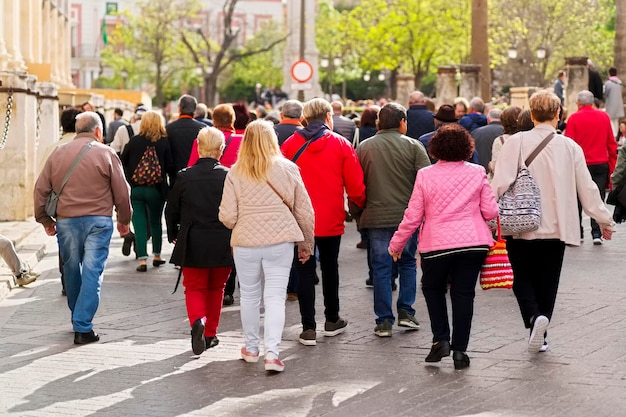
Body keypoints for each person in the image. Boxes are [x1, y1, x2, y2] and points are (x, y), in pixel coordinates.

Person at [491, 90, 615, 354]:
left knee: (521, 277)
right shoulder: (570, 146)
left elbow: (499, 185)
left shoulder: (516, 142)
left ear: (532, 114)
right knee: (549, 280)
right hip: (558, 226)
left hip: (521, 223)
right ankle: (542, 332)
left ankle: (534, 319)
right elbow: (588, 189)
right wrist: (605, 220)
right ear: (558, 114)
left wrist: (489, 217)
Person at [389, 124, 499, 369]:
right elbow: (491, 211)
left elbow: (413, 215)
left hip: (437, 244)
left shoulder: (425, 175)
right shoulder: (477, 172)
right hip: (473, 243)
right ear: (467, 148)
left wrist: (397, 243)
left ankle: (441, 339)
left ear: (435, 149)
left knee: (432, 288)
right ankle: (460, 351)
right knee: (464, 295)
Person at [219, 119, 315, 372]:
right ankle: (272, 354)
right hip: (280, 240)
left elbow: (227, 216)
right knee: (275, 298)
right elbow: (304, 211)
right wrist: (306, 243)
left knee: (249, 296)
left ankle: (251, 348)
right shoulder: (288, 168)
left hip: (245, 241)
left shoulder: (235, 171)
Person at [34, 111, 132, 345]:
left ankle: (77, 318)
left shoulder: (58, 153)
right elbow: (122, 191)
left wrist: (45, 220)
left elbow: (40, 190)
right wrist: (124, 219)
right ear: (98, 131)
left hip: (67, 222)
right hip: (98, 221)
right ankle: (82, 325)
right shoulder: (107, 153)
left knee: (71, 268)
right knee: (92, 270)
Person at [281, 97, 366, 347]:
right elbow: (355, 184)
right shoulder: (340, 144)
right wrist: (358, 204)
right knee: (330, 269)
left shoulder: (289, 145)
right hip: (330, 218)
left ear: (305, 118)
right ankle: (332, 319)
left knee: (304, 270)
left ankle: (308, 327)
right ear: (328, 117)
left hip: (299, 220)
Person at [356, 102, 431, 337]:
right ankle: (406, 312)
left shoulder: (364, 148)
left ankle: (383, 320)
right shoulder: (414, 146)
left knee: (381, 268)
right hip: (406, 218)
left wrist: (358, 215)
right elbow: (426, 182)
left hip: (376, 217)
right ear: (402, 122)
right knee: (408, 262)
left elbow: (357, 186)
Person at [166, 127, 233, 355]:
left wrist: (173, 233)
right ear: (221, 149)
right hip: (223, 240)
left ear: (198, 147)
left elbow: (171, 209)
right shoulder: (228, 176)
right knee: (217, 287)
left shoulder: (184, 176)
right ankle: (210, 333)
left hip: (193, 240)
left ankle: (197, 320)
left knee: (194, 287)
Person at [186, 104, 244, 306]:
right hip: (233, 195)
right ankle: (228, 288)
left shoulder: (201, 141)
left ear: (214, 120)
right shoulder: (240, 140)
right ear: (233, 120)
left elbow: (193, 165)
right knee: (231, 240)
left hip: (205, 195)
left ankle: (209, 284)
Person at [120, 111, 175, 272]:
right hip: (156, 190)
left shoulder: (134, 141)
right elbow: (170, 166)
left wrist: (129, 181)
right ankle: (157, 256)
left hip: (136, 189)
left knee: (139, 223)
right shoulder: (164, 142)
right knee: (156, 222)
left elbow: (122, 162)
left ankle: (142, 259)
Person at [564, 90, 617, 244]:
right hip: (600, 163)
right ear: (592, 102)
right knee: (598, 196)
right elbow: (611, 142)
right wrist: (612, 165)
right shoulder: (603, 117)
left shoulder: (573, 118)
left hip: (579, 164)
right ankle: (596, 233)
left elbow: (569, 144)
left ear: (579, 103)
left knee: (577, 197)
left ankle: (578, 232)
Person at [38, 107, 81, 295]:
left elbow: (41, 184)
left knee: (65, 247)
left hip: (63, 209)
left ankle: (68, 283)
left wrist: (45, 219)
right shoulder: (94, 146)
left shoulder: (53, 148)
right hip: (90, 207)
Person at [166, 95, 207, 186]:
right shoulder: (203, 128)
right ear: (194, 109)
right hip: (197, 176)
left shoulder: (169, 129)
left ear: (179, 108)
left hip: (175, 176)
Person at [488, 105, 522, 178]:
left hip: (507, 183)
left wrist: (491, 165)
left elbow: (497, 168)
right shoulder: (527, 138)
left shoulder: (500, 140)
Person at [471, 107, 503, 171]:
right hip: (501, 173)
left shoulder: (476, 133)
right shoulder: (506, 133)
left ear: (488, 119)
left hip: (480, 172)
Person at [603, 67, 625, 138]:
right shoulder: (619, 82)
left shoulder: (608, 83)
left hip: (610, 105)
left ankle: (613, 136)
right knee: (616, 121)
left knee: (610, 122)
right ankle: (615, 136)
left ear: (609, 73)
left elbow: (605, 94)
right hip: (618, 105)